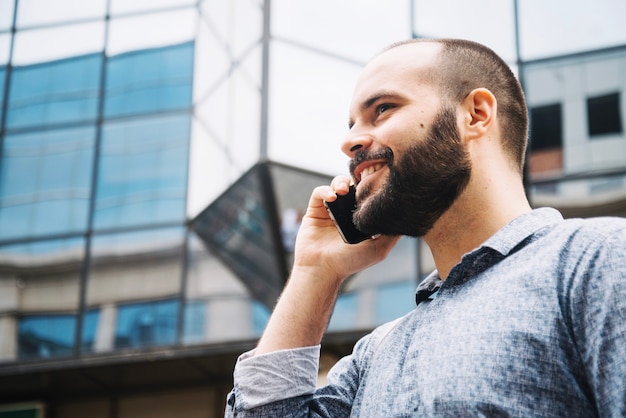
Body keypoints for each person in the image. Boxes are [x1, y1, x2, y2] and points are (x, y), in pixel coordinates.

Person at [224, 38, 626, 417]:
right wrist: (315, 273)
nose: (350, 142)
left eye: (382, 108)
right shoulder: (374, 356)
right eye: (350, 125)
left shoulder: (599, 261)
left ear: (475, 114)